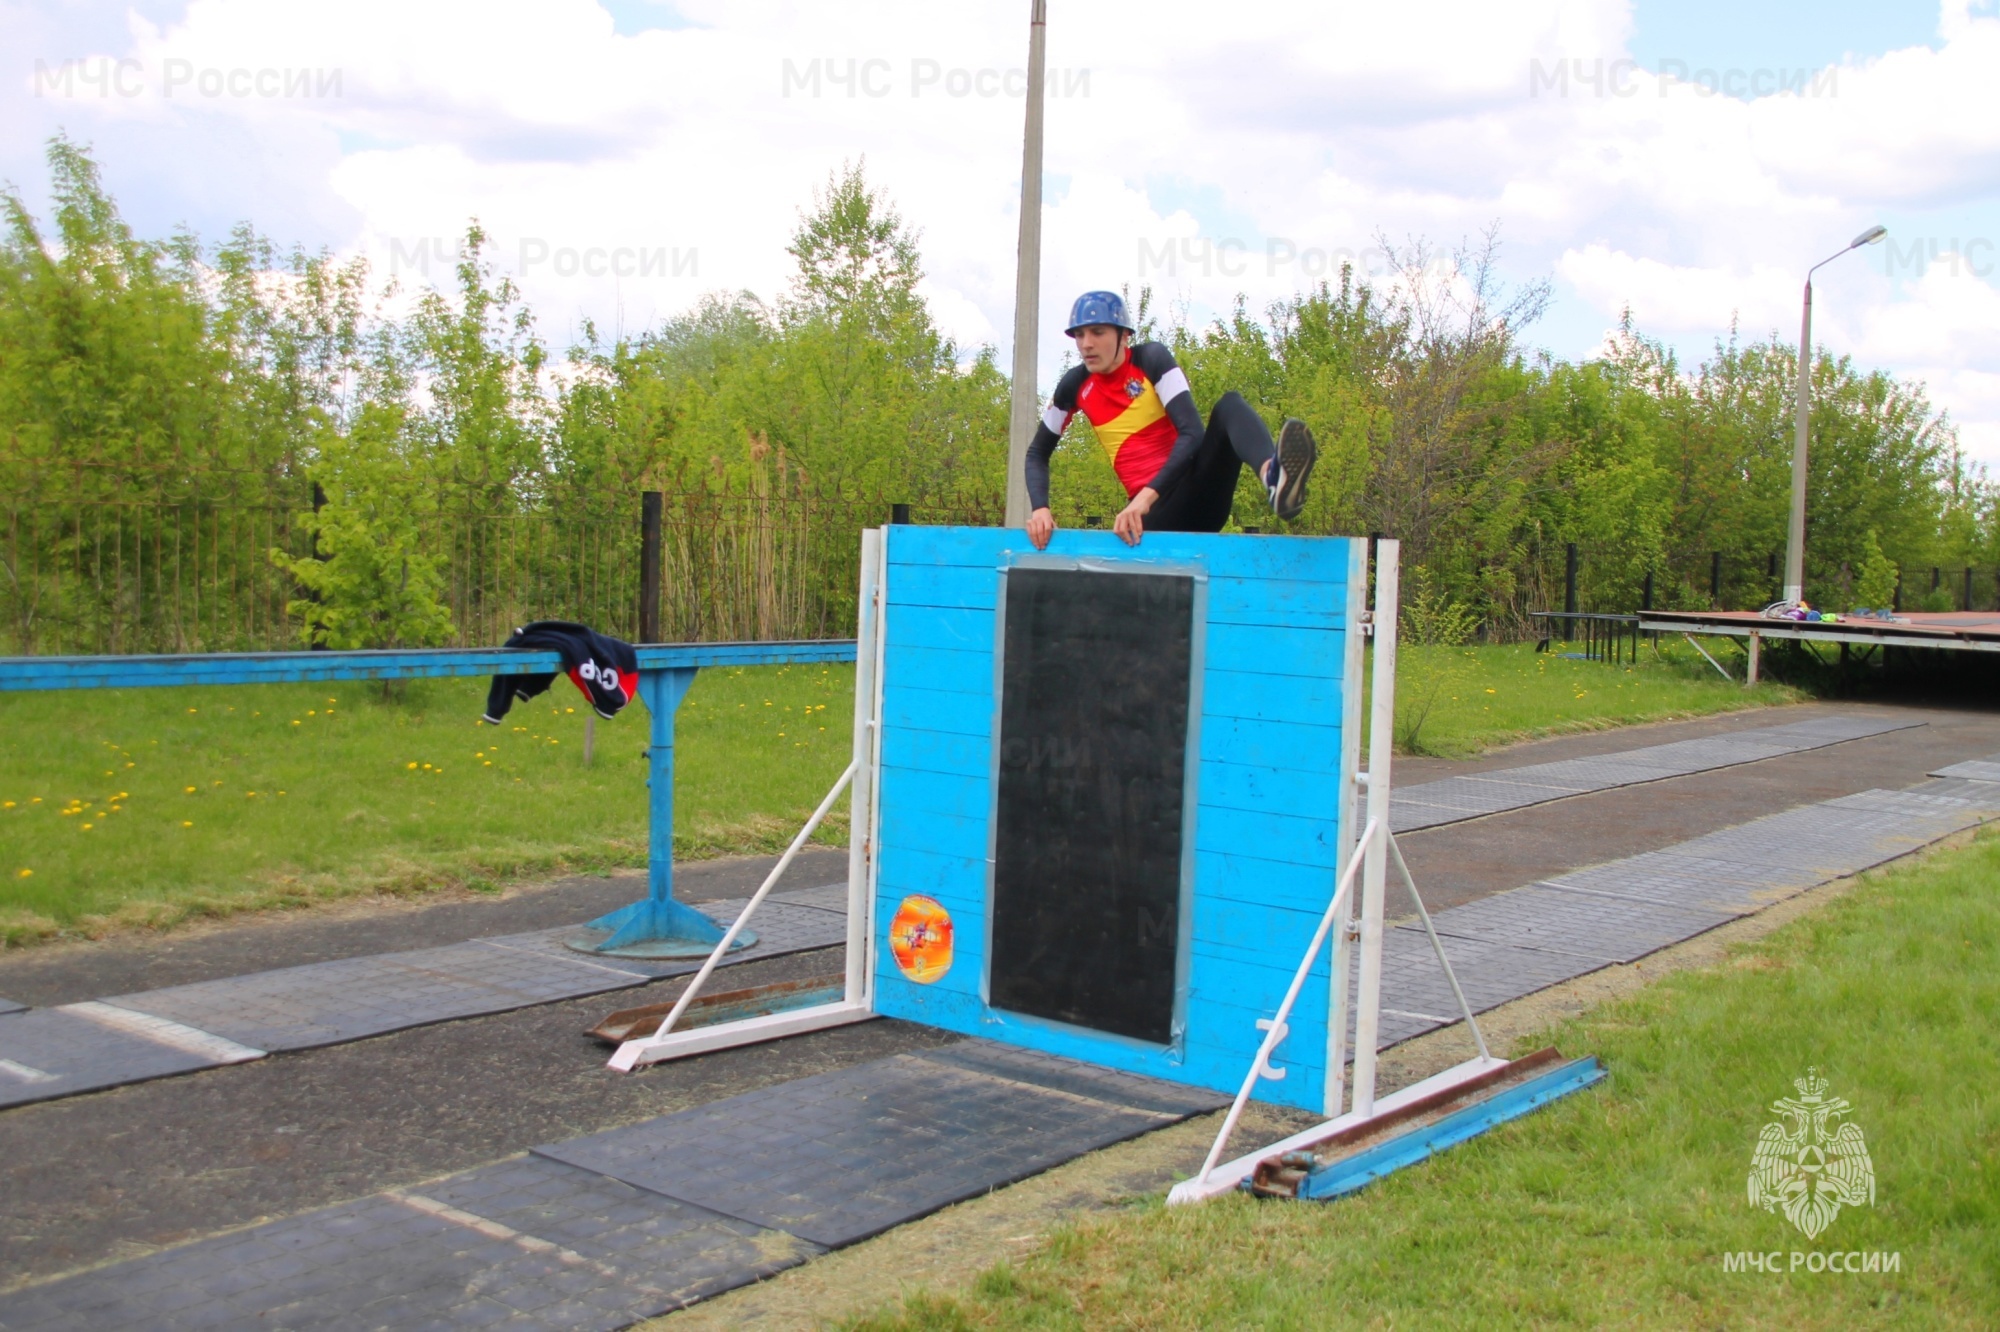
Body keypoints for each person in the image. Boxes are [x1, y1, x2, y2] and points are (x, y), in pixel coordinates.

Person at [1024, 290, 1317, 549]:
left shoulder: (1151, 359)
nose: (1086, 344)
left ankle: (1274, 479)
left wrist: (1145, 497)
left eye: (1097, 332)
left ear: (1124, 336)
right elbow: (1037, 452)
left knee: (1230, 404)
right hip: (1155, 519)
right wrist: (1040, 509)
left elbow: (1193, 433)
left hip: (1197, 496)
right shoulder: (1073, 386)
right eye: (1079, 335)